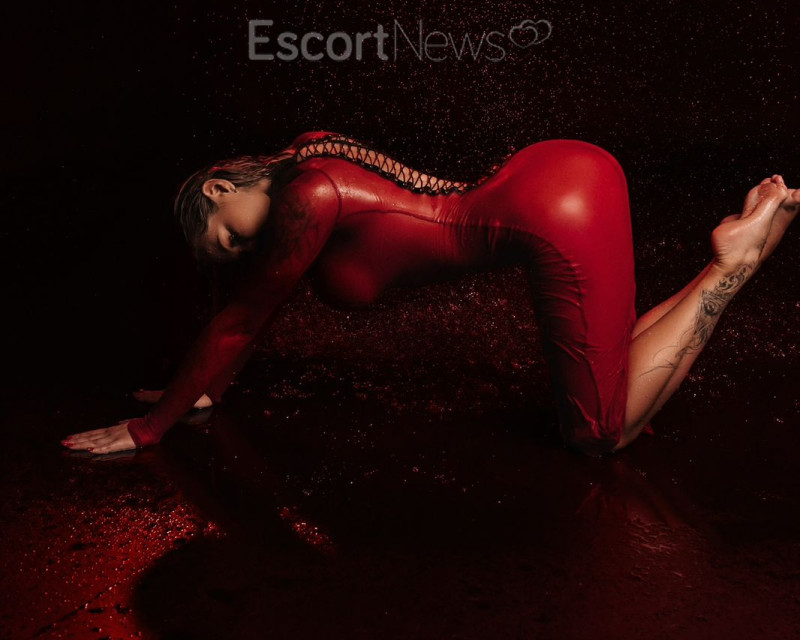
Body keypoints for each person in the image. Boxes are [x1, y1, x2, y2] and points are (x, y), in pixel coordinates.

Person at [61, 130, 799, 456]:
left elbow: (241, 318)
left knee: (599, 437)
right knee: (614, 379)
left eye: (226, 237)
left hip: (553, 215)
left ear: (221, 187)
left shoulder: (307, 198)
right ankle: (735, 256)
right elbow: (261, 303)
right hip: (555, 170)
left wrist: (149, 428)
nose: (242, 252)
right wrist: (206, 392)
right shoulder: (306, 156)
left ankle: (730, 266)